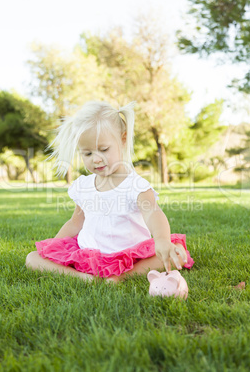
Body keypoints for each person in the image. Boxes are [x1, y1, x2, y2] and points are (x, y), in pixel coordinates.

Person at [26, 101, 194, 282]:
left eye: (104, 150)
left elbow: (153, 214)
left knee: (176, 250)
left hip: (129, 255)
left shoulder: (135, 185)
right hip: (87, 254)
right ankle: (83, 278)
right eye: (88, 154)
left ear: (123, 139)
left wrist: (161, 240)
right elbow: (75, 222)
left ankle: (121, 277)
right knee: (32, 258)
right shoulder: (84, 186)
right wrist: (54, 247)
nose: (96, 159)